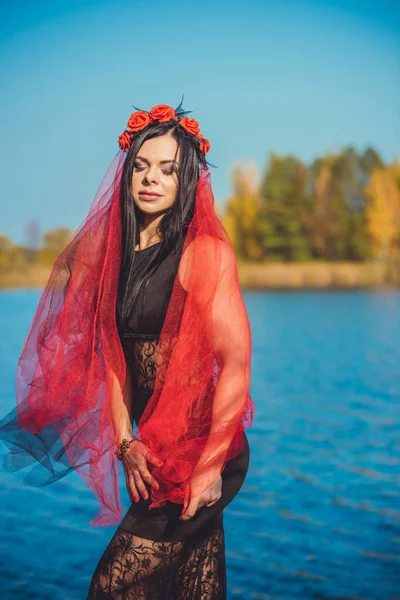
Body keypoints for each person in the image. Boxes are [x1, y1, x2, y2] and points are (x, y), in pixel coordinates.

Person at [0, 98, 255, 599]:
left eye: (166, 169)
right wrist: (123, 442)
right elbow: (115, 362)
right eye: (141, 166)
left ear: (187, 180)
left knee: (110, 587)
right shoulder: (114, 257)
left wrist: (206, 470)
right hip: (152, 449)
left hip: (204, 452)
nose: (150, 178)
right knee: (192, 589)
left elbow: (236, 368)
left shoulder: (203, 253)